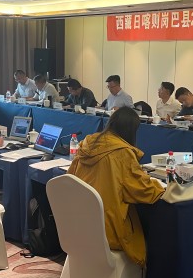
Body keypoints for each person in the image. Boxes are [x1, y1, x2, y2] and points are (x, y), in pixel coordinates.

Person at [67, 107, 164, 266]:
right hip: (108, 230)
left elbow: (69, 178)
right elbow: (144, 191)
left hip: (80, 224)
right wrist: (162, 187)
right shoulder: (122, 153)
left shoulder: (86, 145)